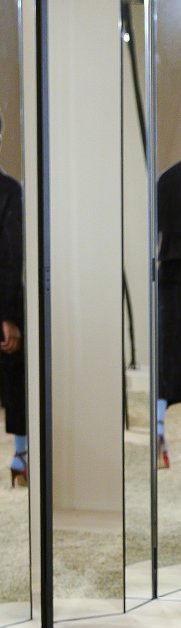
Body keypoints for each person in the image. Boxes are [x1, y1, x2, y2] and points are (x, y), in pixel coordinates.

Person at [156, 114, 181, 468]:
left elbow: (156, 234)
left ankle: (159, 427)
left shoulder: (168, 179)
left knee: (170, 348)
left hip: (171, 266)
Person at [0, 113, 27, 487]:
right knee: (16, 374)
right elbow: (9, 256)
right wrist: (7, 315)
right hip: (4, 301)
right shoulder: (8, 190)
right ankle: (20, 455)